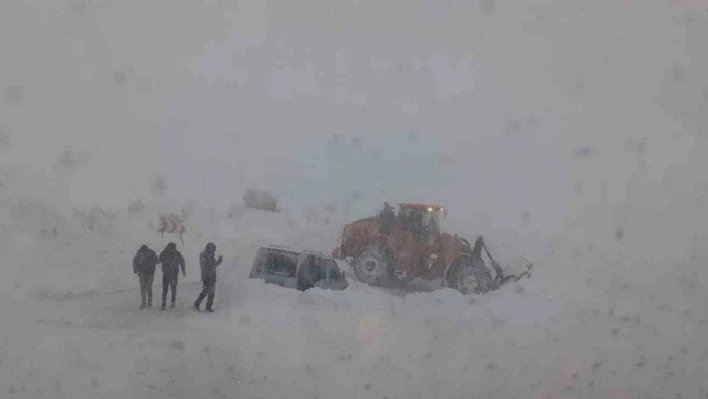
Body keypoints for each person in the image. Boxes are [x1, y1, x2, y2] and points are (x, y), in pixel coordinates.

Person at [194, 242, 223, 312]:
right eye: (213, 249)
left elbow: (212, 266)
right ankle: (197, 303)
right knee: (206, 291)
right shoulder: (204, 255)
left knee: (211, 293)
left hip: (211, 277)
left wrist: (218, 261)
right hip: (207, 276)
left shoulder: (209, 255)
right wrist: (219, 261)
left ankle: (208, 307)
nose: (214, 251)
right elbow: (210, 267)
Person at [159, 242, 186, 310]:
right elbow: (182, 262)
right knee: (173, 289)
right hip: (173, 274)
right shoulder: (176, 253)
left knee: (165, 289)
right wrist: (183, 270)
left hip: (166, 274)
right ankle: (172, 302)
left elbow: (159, 260)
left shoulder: (164, 253)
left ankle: (164, 304)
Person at [132, 244, 160, 309]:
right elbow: (157, 261)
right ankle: (149, 302)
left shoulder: (139, 253)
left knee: (143, 287)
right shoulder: (152, 253)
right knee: (149, 287)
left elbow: (135, 262)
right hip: (150, 273)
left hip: (142, 273)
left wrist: (135, 270)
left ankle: (143, 303)